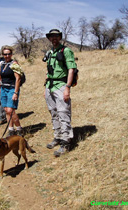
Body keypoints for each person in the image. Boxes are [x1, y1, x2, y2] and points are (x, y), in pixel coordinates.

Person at [44, 29, 77, 157]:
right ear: (49, 38)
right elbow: (48, 70)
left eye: (56, 36)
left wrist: (67, 87)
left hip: (61, 85)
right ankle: (57, 137)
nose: (54, 38)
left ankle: (66, 141)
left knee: (63, 113)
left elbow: (71, 70)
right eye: (52, 36)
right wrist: (46, 86)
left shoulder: (66, 51)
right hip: (50, 86)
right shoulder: (50, 52)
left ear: (60, 37)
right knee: (53, 113)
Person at [0, 46, 23, 137]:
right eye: (5, 54)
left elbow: (18, 79)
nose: (7, 56)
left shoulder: (14, 64)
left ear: (11, 54)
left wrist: (15, 92)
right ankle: (11, 130)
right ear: (2, 55)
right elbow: (0, 78)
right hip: (3, 89)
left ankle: (19, 129)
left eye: (9, 54)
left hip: (12, 89)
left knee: (11, 110)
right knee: (6, 110)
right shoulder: (1, 63)